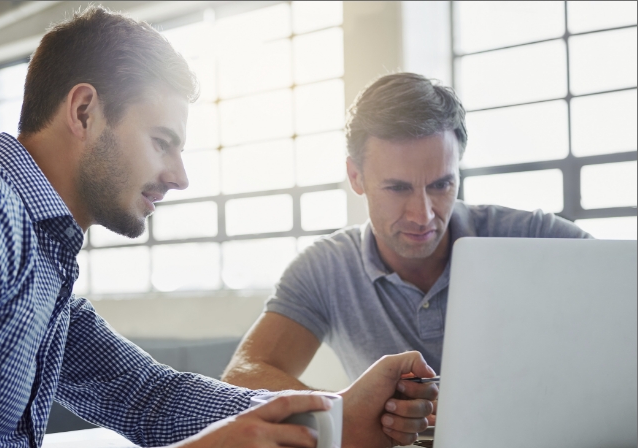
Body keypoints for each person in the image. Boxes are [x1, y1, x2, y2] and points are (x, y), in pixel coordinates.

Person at [0, 8, 438, 448]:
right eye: (162, 141)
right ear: (85, 110)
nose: (179, 176)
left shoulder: (44, 260)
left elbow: (149, 397)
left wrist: (332, 418)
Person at [222, 72, 590, 421]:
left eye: (441, 185)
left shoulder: (530, 236)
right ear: (356, 176)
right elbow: (243, 376)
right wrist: (345, 411)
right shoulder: (325, 268)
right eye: (398, 188)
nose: (423, 214)